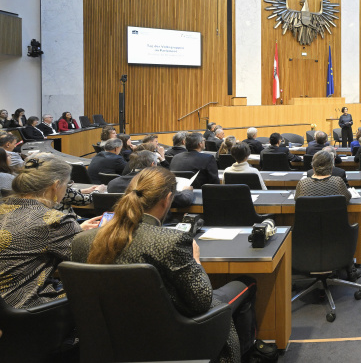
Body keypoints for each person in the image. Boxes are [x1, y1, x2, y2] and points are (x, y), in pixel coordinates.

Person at [71, 166, 256, 362]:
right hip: (173, 336)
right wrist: (195, 260)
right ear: (167, 199)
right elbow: (202, 301)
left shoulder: (81, 241)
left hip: (107, 339)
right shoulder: (171, 241)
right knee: (246, 283)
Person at [0, 155, 101, 308]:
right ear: (56, 185)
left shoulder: (4, 208)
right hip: (28, 309)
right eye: (67, 184)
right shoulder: (54, 220)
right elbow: (92, 259)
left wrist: (77, 229)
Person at [109, 150, 194, 207]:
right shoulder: (159, 183)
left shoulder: (112, 184)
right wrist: (187, 190)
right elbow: (183, 200)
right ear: (153, 164)